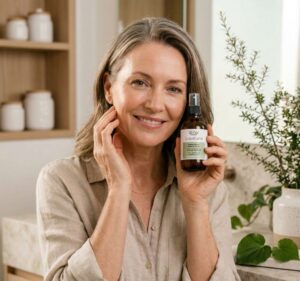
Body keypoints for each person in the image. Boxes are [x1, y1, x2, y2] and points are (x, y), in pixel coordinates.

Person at [36, 17, 241, 281]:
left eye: (173, 89)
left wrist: (195, 203)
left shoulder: (207, 189)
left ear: (187, 102)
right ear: (109, 88)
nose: (156, 104)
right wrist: (120, 189)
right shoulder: (62, 182)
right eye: (140, 83)